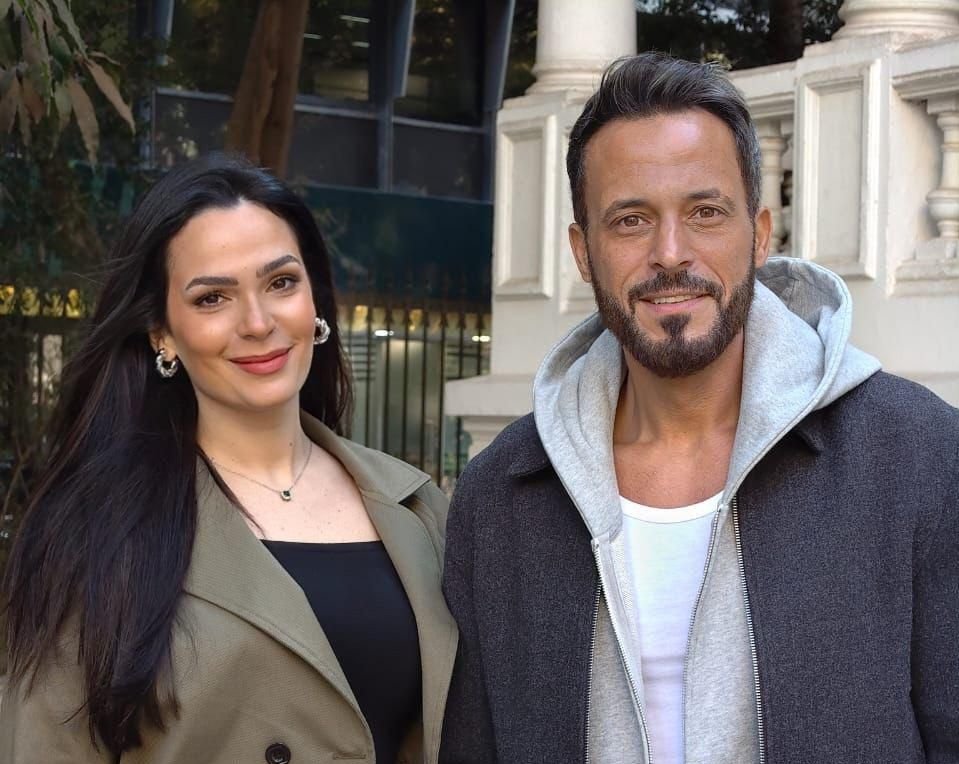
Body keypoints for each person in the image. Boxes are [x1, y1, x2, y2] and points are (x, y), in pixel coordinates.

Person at [439, 53, 959, 764]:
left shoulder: (915, 453)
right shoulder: (500, 494)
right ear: (583, 253)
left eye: (705, 213)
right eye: (630, 221)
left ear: (760, 232)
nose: (671, 253)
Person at [1, 153, 456, 764]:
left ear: (315, 300)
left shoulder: (418, 509)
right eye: (212, 298)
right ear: (162, 333)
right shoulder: (92, 530)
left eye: (281, 283)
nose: (258, 322)